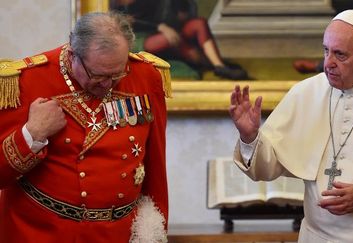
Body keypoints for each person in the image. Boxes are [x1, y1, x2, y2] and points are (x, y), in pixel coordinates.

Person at [229, 9, 353, 242]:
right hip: (318, 237)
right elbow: (266, 167)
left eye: (340, 55)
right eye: (326, 51)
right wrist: (250, 137)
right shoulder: (305, 93)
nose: (328, 63)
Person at [0, 12, 169, 242]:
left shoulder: (146, 76)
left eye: (117, 73)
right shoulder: (25, 80)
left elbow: (156, 166)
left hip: (118, 234)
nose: (108, 85)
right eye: (98, 75)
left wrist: (155, 231)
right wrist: (33, 134)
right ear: (72, 55)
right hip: (42, 232)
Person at [111, 0, 249, 80]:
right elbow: (126, 19)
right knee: (167, 38)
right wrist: (160, 26)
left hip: (172, 30)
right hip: (142, 35)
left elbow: (184, 14)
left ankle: (219, 66)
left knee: (198, 23)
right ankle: (203, 61)